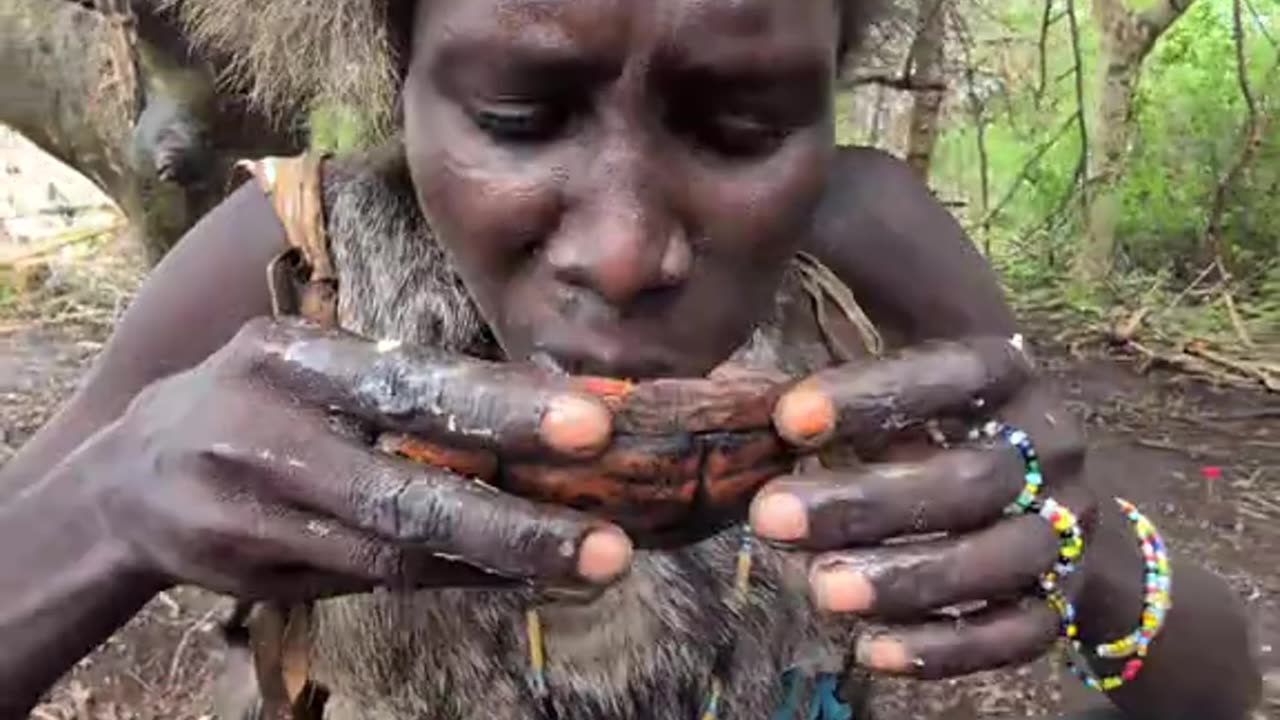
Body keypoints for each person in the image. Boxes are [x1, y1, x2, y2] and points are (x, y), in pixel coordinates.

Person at [0, 1, 1261, 718]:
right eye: (513, 117)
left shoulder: (873, 250)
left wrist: (1089, 552)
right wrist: (107, 510)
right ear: (402, 83)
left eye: (743, 126)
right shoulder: (282, 259)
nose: (623, 252)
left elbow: (1202, 689)